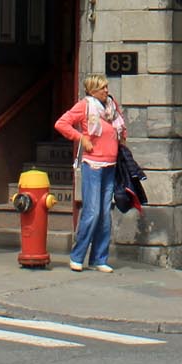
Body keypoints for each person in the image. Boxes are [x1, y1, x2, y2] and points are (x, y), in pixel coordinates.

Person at [55, 74, 127, 272]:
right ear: (92, 91)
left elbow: (119, 126)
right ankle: (77, 255)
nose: (106, 90)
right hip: (93, 164)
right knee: (92, 211)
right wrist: (81, 138)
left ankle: (99, 258)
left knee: (105, 213)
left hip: (110, 165)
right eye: (102, 88)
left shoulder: (112, 105)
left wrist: (122, 138)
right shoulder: (85, 106)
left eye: (106, 87)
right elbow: (62, 123)